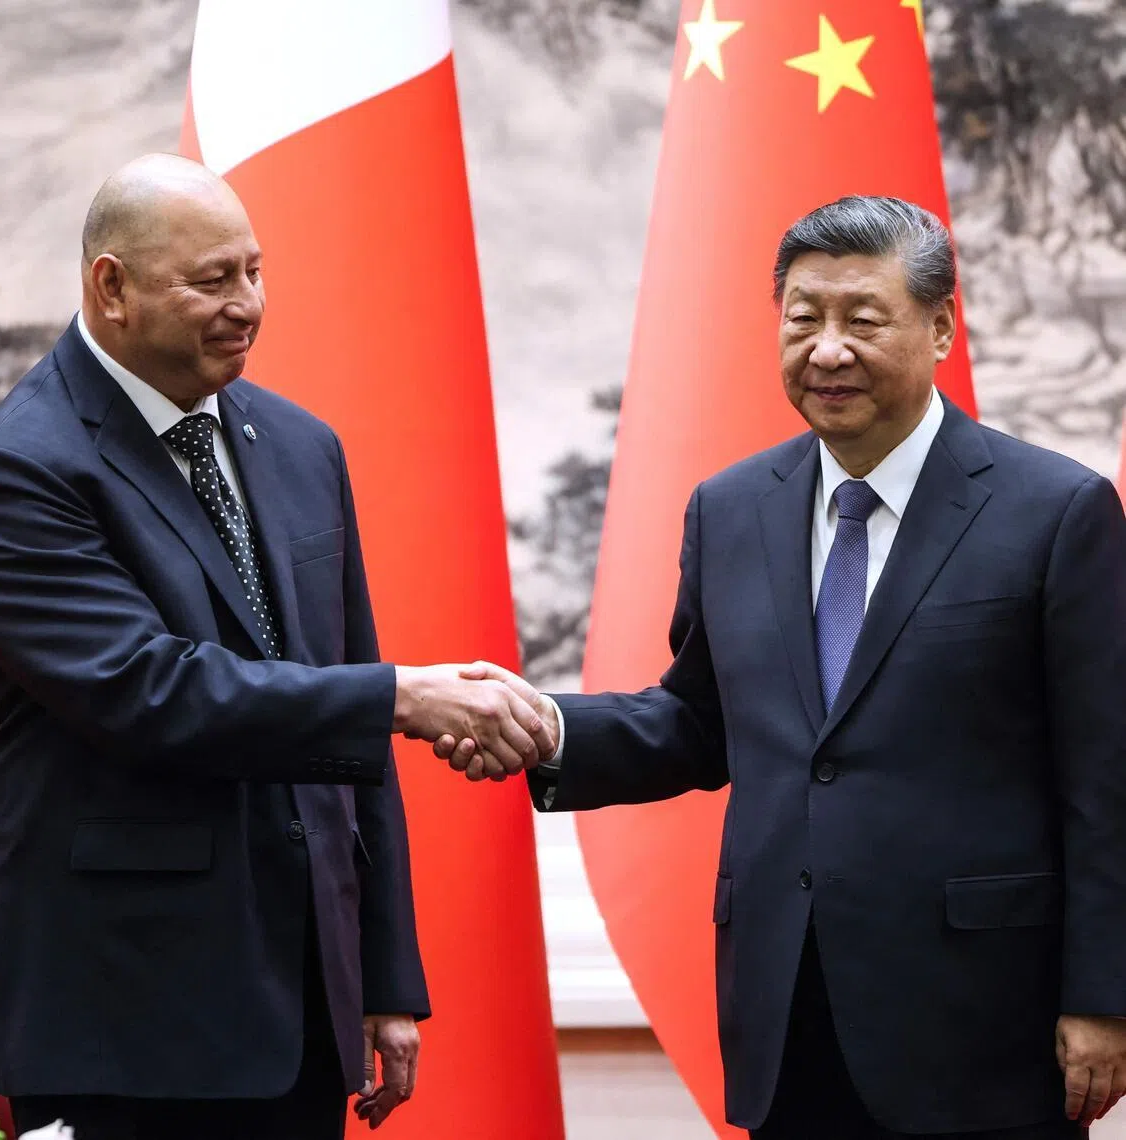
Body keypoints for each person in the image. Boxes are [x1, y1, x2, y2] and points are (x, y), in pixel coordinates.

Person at [439, 197, 1126, 1138]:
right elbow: (699, 723)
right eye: (804, 319)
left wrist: (1105, 996)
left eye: (862, 319)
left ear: (940, 327)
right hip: (786, 1007)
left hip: (981, 1022)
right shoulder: (731, 510)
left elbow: (1107, 778)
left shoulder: (1055, 511)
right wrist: (545, 728)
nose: (828, 349)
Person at [0, 154, 550, 1140]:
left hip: (299, 1015)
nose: (247, 304)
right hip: (123, 1027)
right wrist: (403, 697)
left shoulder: (299, 446)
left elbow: (345, 724)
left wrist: (381, 977)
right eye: (213, 279)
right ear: (111, 287)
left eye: (254, 270)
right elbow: (147, 693)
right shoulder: (23, 467)